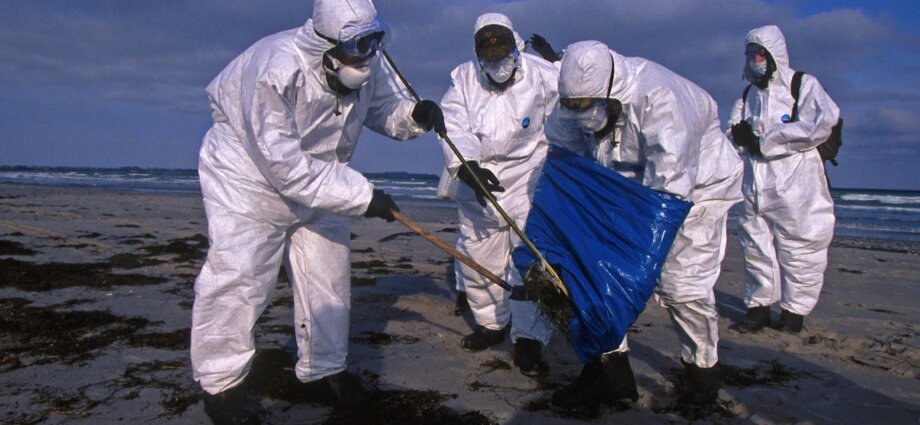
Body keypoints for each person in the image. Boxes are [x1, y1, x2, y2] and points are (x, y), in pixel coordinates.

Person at [190, 0, 445, 423]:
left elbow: (381, 109)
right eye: (357, 45)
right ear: (325, 44)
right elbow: (286, 168)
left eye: (373, 42)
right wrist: (366, 197)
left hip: (325, 178)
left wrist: (413, 116)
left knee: (328, 278)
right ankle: (221, 386)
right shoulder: (274, 70)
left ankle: (324, 367)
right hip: (249, 180)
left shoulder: (365, 62)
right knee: (240, 277)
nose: (366, 54)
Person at [546, 41, 743, 408]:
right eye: (573, 107)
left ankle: (702, 372)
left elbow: (668, 191)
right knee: (594, 273)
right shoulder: (570, 105)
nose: (579, 115)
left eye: (586, 107)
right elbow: (562, 164)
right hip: (620, 183)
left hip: (697, 189)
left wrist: (636, 258)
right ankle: (610, 373)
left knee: (681, 285)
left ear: (609, 94)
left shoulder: (662, 101)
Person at [438, 13, 559, 377]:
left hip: (529, 171)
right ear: (478, 52)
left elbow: (572, 92)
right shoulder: (462, 81)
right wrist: (467, 166)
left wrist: (559, 60)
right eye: (487, 48)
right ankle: (492, 324)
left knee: (529, 258)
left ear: (515, 44)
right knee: (479, 254)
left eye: (501, 45)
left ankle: (530, 339)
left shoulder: (542, 74)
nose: (496, 54)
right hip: (479, 173)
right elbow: (454, 126)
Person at [728, 25, 840, 334]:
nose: (754, 59)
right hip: (755, 186)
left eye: (760, 54)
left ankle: (794, 312)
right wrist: (740, 137)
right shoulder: (749, 93)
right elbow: (732, 130)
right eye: (750, 54)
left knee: (802, 246)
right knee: (755, 245)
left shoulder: (801, 85)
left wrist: (765, 141)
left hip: (796, 185)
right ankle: (759, 307)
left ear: (774, 55)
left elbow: (820, 123)